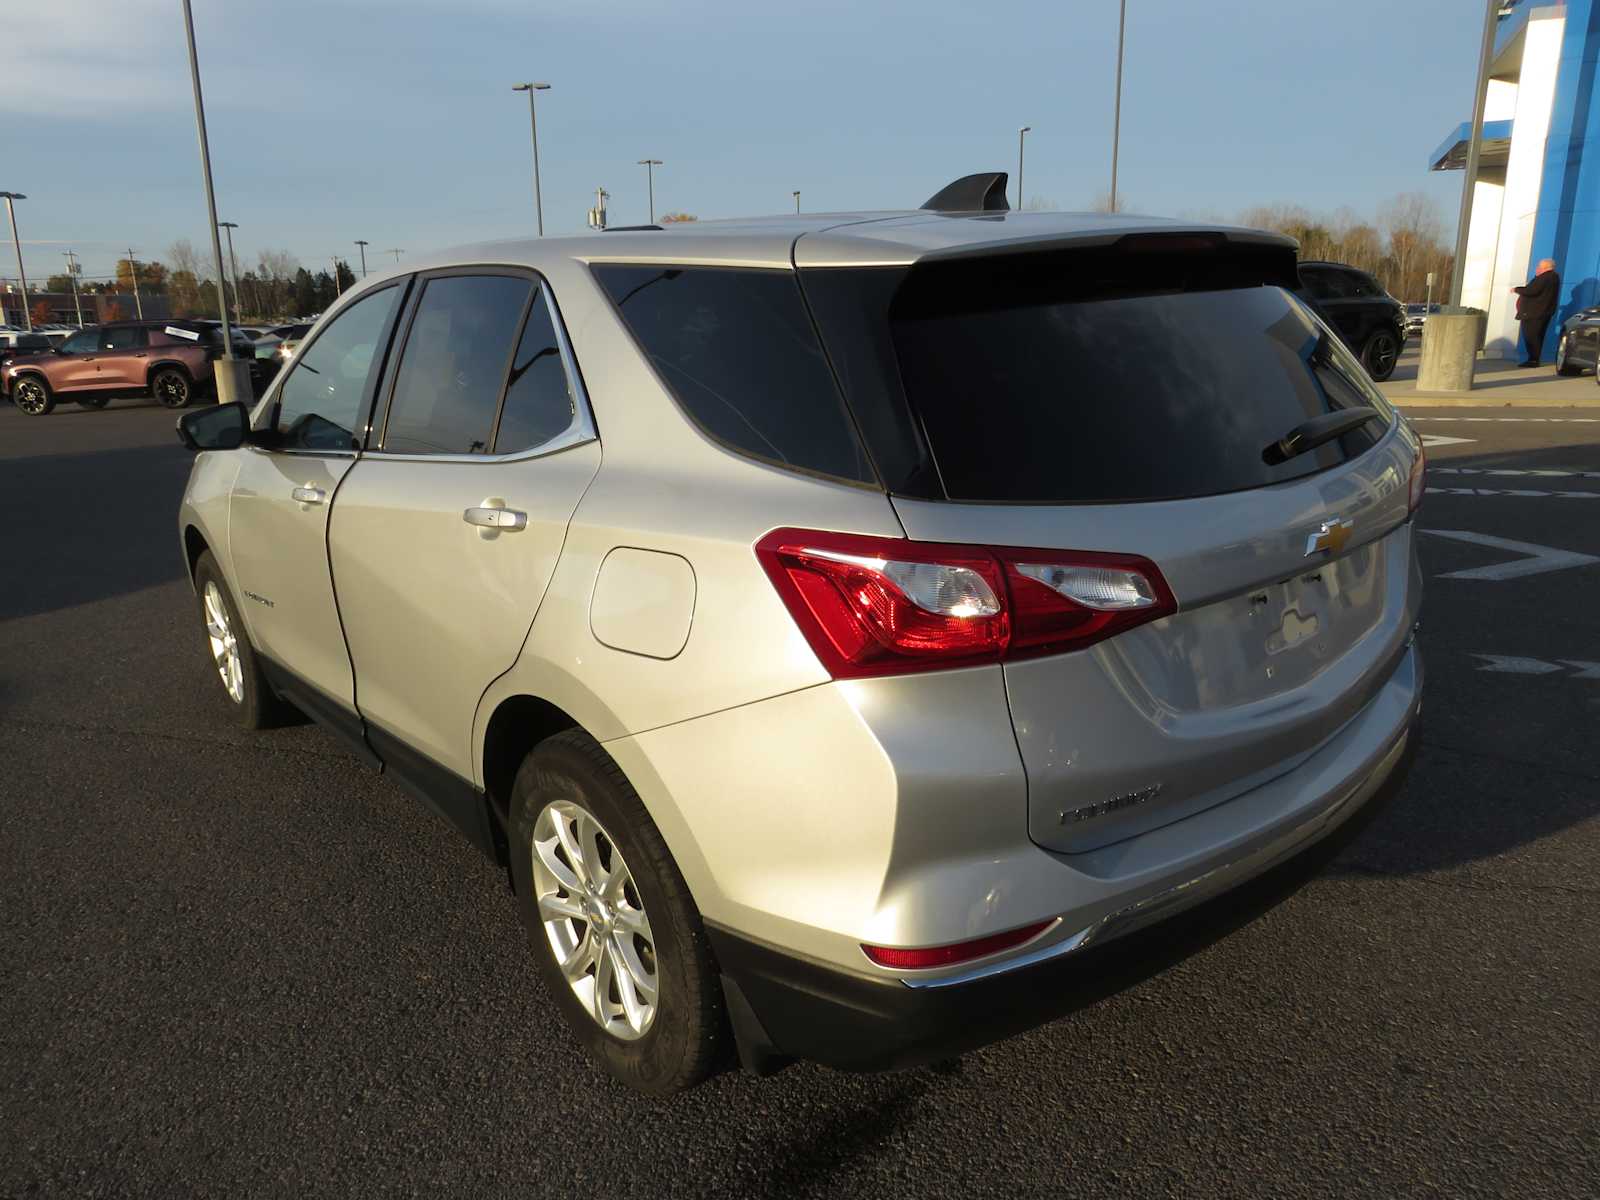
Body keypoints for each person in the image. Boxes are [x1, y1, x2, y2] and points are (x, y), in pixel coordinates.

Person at [1512, 258, 1561, 367]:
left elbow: (1532, 290)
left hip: (1534, 313)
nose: (1537, 269)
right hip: (1541, 312)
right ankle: (1534, 359)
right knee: (1536, 335)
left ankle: (1533, 359)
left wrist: (1516, 289)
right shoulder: (1552, 277)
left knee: (1532, 336)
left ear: (1547, 268)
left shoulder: (1546, 277)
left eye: (1540, 267)